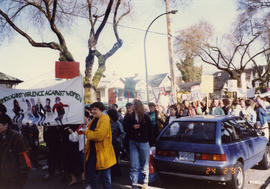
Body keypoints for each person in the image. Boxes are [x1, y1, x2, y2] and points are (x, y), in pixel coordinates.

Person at [84, 102, 116, 189]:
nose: (93, 111)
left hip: (103, 154)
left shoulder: (105, 119)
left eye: (95, 109)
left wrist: (86, 132)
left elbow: (99, 136)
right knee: (94, 176)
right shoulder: (94, 120)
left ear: (100, 109)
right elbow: (91, 137)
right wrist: (86, 147)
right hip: (93, 153)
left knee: (105, 177)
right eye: (92, 109)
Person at [126, 99, 154, 189]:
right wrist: (132, 127)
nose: (131, 106)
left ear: (137, 105)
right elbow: (126, 128)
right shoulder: (130, 117)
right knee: (134, 164)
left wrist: (140, 127)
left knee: (145, 163)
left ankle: (145, 182)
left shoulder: (146, 117)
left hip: (144, 142)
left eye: (133, 104)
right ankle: (134, 183)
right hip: (133, 142)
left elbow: (150, 130)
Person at [0, 114, 31, 189]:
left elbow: (24, 157)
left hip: (15, 176)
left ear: (6, 125)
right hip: (3, 176)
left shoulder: (17, 137)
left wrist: (22, 176)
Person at [107, 108, 126, 180]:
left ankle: (114, 175)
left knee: (114, 160)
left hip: (115, 145)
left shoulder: (118, 124)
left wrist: (117, 140)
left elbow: (123, 133)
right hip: (109, 144)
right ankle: (116, 173)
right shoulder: (108, 122)